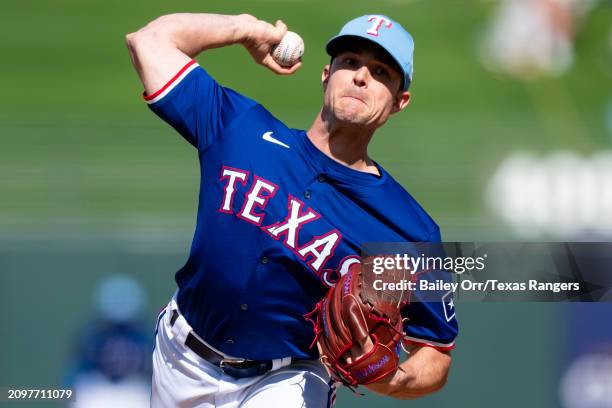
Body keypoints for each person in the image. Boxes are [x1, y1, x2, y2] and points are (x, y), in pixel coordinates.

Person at [126, 12, 458, 407]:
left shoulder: (409, 229)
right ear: (326, 74)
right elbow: (148, 41)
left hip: (290, 379)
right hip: (180, 359)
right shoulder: (240, 129)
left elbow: (436, 351)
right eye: (350, 61)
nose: (360, 77)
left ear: (399, 101)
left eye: (381, 72)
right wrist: (245, 29)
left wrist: (391, 378)